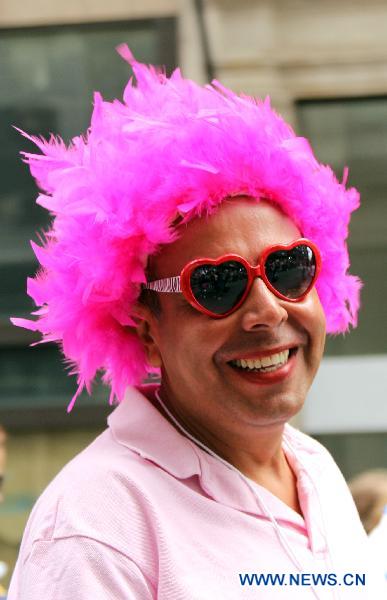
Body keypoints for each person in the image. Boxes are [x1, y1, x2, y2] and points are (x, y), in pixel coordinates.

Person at [8, 46, 383, 598]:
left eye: (287, 268)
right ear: (147, 331)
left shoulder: (314, 470)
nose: (268, 310)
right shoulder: (95, 531)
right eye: (217, 284)